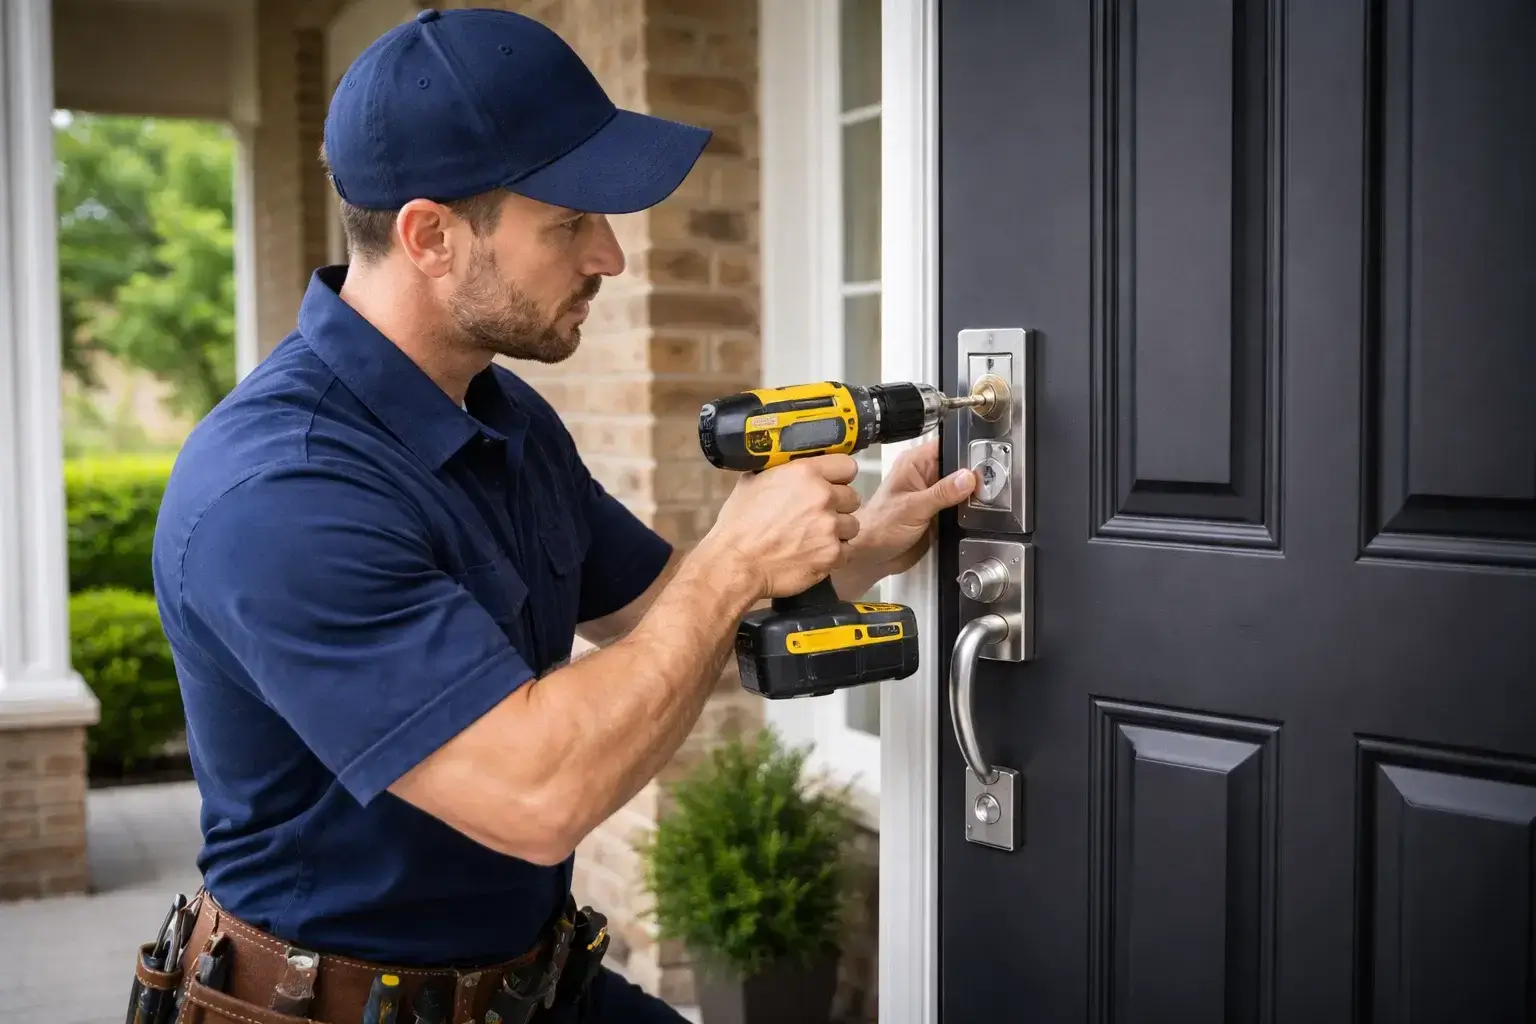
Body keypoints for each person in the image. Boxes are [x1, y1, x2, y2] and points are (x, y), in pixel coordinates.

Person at [143, 7, 976, 1024]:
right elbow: (537, 795)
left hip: (527, 988)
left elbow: (666, 613)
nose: (612, 257)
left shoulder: (503, 415)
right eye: (571, 221)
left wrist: (863, 549)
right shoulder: (280, 492)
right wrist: (731, 559)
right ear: (431, 236)